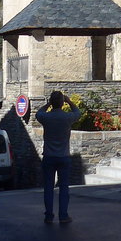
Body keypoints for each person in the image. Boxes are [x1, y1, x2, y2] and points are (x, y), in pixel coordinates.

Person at [35, 90, 83, 224]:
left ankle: (49, 215)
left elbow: (38, 113)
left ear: (51, 102)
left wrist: (48, 104)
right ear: (62, 103)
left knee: (48, 188)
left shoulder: (46, 117)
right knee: (64, 188)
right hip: (63, 156)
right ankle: (63, 215)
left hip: (49, 156)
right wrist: (69, 101)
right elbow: (77, 112)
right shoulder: (67, 118)